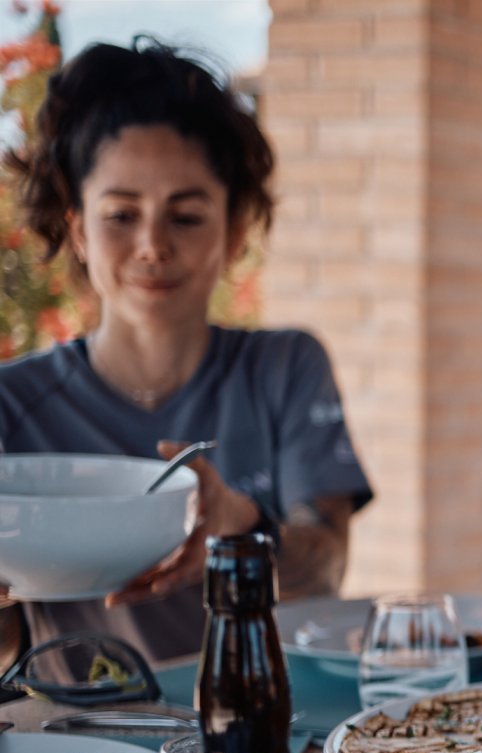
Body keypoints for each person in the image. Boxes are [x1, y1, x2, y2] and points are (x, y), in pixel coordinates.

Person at [0, 40, 373, 664]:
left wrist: (242, 531)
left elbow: (324, 573)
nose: (152, 245)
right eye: (121, 214)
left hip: (262, 726)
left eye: (187, 216)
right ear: (78, 230)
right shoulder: (12, 405)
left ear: (233, 233)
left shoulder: (285, 369)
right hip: (74, 745)